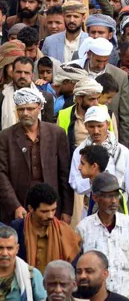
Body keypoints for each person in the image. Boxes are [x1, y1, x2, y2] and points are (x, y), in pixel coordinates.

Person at [0, 87, 71, 223]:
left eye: (30, 109)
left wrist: (67, 210)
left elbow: (64, 174)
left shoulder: (57, 134)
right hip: (21, 207)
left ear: (39, 107)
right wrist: (15, 206)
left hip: (51, 207)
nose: (25, 113)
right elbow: (1, 175)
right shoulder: (5, 136)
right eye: (21, 109)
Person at [75, 175, 129, 299]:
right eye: (109, 196)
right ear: (96, 198)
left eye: (116, 195)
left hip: (127, 294)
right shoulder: (83, 228)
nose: (114, 201)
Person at [10, 184, 79, 273]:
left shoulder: (65, 231)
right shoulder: (17, 229)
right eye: (44, 211)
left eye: (53, 210)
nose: (50, 215)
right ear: (31, 208)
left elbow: (75, 266)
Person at [0, 225, 44, 301]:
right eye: (0, 248)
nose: (4, 253)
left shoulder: (31, 275)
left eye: (9, 248)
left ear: (17, 249)